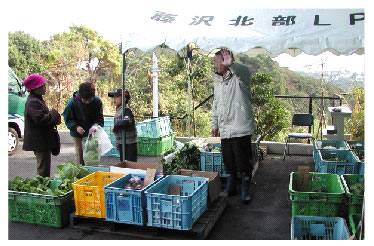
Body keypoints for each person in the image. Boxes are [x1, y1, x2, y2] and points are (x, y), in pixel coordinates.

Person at [212, 48, 257, 204]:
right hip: (225, 129)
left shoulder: (238, 78)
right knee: (229, 161)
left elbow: (244, 73)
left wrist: (233, 66)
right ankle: (232, 186)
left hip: (240, 127)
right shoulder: (218, 81)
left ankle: (245, 188)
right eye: (216, 61)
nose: (217, 64)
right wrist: (215, 124)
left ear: (228, 61)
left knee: (243, 162)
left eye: (220, 61)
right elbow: (215, 104)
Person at [22, 74, 61, 177]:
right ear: (35, 89)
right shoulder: (33, 102)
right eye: (42, 86)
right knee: (43, 168)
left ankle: (43, 185)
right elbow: (40, 119)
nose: (45, 88)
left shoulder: (37, 99)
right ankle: (42, 188)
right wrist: (53, 114)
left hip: (42, 140)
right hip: (39, 141)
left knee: (44, 166)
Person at [62, 81, 104, 165]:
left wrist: (95, 127)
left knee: (92, 152)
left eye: (90, 100)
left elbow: (99, 118)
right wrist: (76, 127)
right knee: (79, 152)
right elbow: (68, 118)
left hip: (91, 130)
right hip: (76, 131)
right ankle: (80, 168)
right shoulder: (73, 103)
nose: (88, 102)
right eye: (85, 100)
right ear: (80, 97)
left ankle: (92, 168)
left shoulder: (97, 102)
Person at [108, 88, 137, 162]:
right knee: (123, 162)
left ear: (124, 99)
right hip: (122, 142)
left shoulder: (126, 110)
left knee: (130, 163)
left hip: (129, 143)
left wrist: (116, 127)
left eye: (117, 97)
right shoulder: (118, 110)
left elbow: (126, 122)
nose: (114, 99)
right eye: (114, 97)